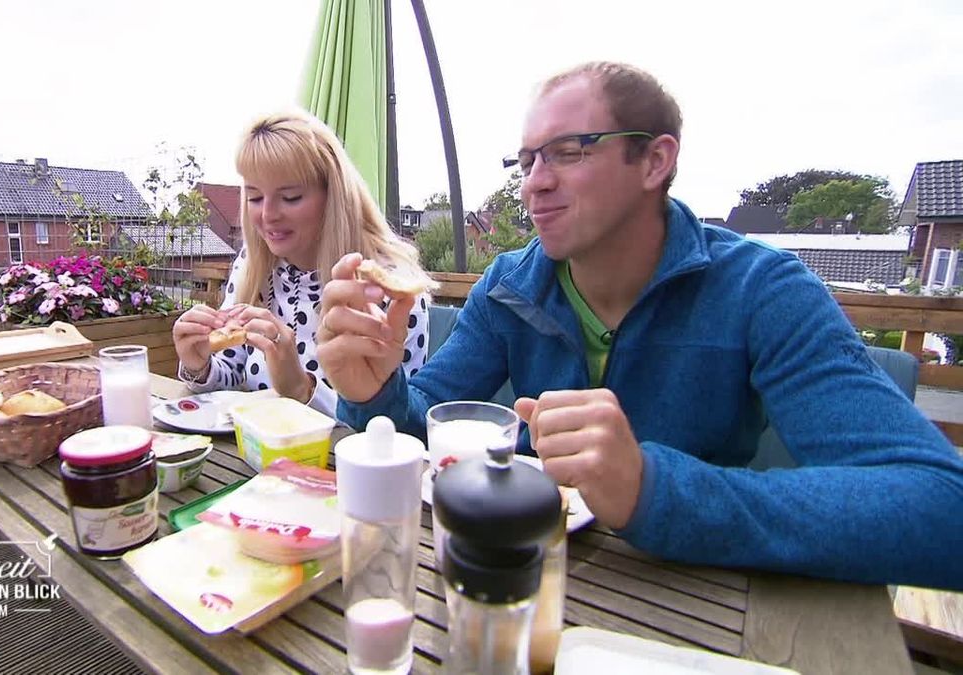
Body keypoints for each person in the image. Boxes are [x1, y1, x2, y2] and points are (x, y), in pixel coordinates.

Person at [316, 62, 963, 589]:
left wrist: (653, 488)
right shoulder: (509, 284)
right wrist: (376, 391)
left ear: (655, 161)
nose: (534, 184)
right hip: (528, 583)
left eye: (567, 152)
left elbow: (939, 508)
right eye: (527, 160)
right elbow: (423, 426)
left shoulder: (764, 290)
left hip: (709, 599)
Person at [172, 110, 434, 419]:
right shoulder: (253, 265)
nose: (268, 215)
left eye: (291, 197)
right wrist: (198, 365)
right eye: (255, 197)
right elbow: (230, 372)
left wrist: (302, 390)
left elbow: (400, 424)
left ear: (333, 197)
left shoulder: (388, 287)